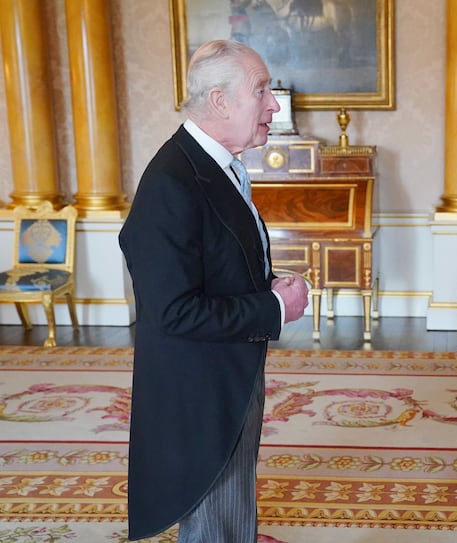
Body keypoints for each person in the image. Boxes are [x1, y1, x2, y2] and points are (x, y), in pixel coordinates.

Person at [119, 39, 309, 542]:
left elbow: (213, 262)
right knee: (213, 518)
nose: (274, 103)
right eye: (262, 90)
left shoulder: (216, 165)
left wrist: (265, 284)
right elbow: (173, 312)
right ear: (220, 101)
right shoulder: (172, 183)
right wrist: (273, 306)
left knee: (230, 510)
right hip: (199, 390)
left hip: (226, 371)